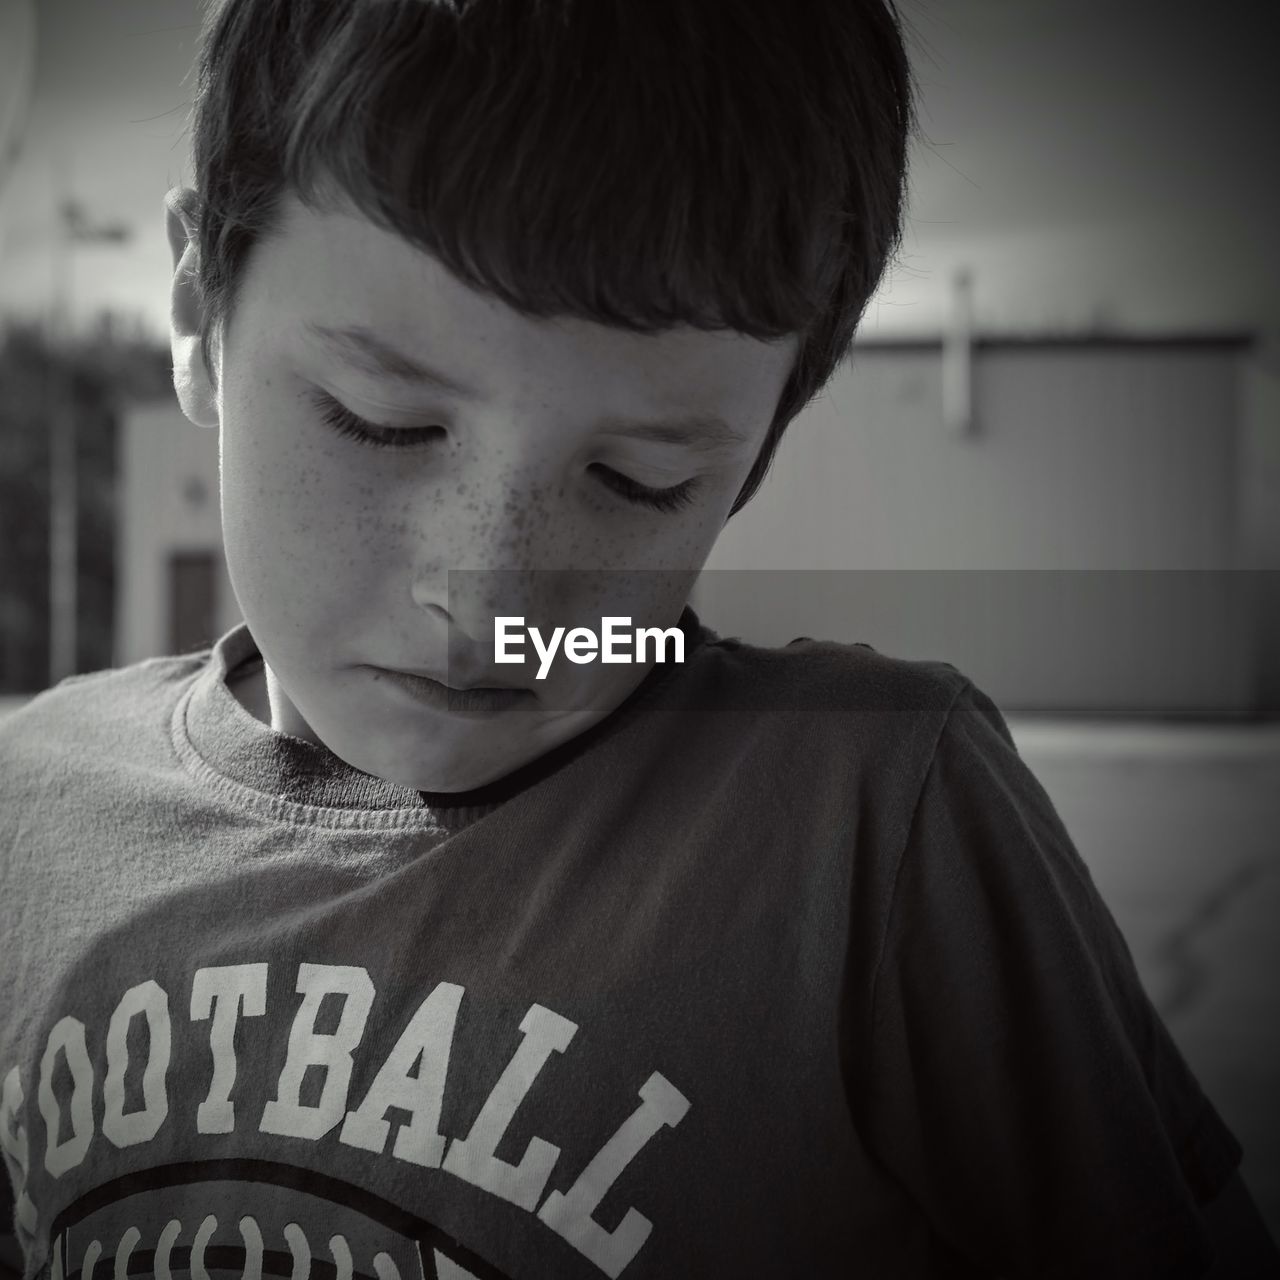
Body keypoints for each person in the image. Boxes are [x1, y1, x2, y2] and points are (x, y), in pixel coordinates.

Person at [1, 1, 1277, 1276]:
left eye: (635, 478)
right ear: (197, 313)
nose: (490, 598)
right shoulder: (31, 809)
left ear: (756, 453)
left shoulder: (869, 830)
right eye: (380, 421)